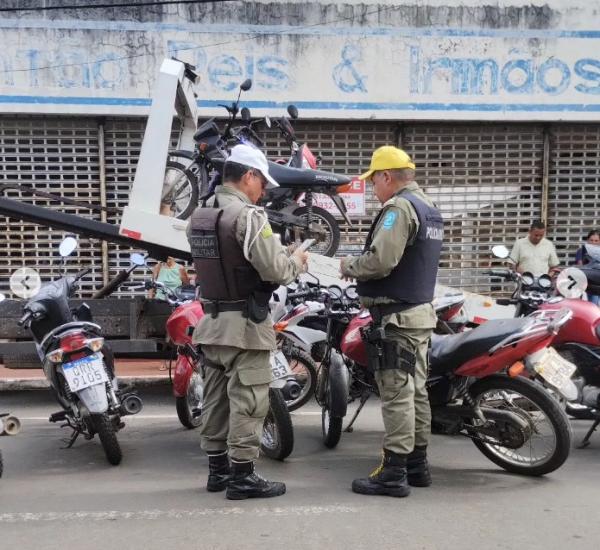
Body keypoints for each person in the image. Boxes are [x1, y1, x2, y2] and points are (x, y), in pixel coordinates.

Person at [187, 144, 308, 500]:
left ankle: (218, 472)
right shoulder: (249, 216)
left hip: (210, 324)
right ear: (249, 176)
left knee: (215, 400)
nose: (265, 191)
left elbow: (225, 261)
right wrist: (296, 260)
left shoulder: (199, 215)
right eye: (262, 182)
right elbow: (275, 270)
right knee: (249, 401)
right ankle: (242, 477)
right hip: (245, 326)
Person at [339, 145, 443, 498]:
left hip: (397, 319)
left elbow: (380, 261)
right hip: (419, 316)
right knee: (416, 393)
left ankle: (394, 473)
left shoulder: (399, 208)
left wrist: (347, 266)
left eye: (374, 182)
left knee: (397, 395)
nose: (373, 190)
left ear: (386, 177)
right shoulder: (428, 207)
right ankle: (418, 466)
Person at [575, 230, 600, 305]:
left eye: (596, 241)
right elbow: (581, 266)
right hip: (589, 284)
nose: (593, 243)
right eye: (591, 240)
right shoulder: (582, 251)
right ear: (587, 240)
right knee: (592, 304)